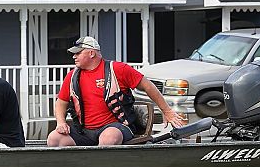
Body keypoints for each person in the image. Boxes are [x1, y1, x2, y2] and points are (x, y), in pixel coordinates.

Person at [47, 36, 185, 147]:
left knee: (108, 138)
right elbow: (61, 102)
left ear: (91, 53)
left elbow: (148, 86)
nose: (73, 57)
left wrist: (167, 111)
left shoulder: (119, 69)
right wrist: (61, 122)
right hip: (84, 131)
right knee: (54, 139)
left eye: (78, 53)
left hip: (116, 128)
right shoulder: (72, 76)